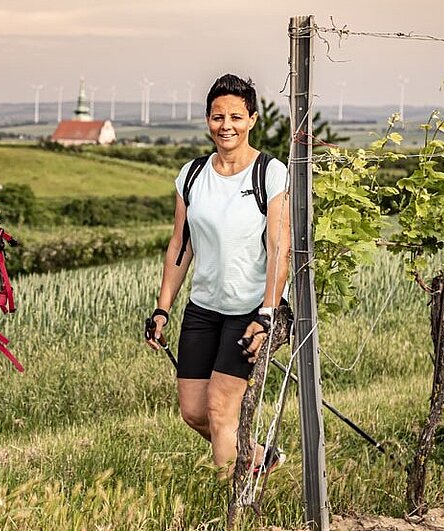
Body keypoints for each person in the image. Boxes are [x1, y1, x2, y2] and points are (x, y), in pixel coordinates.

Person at [144, 74, 291, 475]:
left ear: (253, 120)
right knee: (194, 412)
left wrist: (267, 312)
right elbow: (180, 245)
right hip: (203, 309)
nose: (226, 125)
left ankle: (235, 505)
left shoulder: (270, 173)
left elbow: (280, 251)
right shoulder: (191, 175)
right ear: (207, 119)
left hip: (249, 312)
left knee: (220, 412)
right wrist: (162, 309)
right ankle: (261, 458)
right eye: (217, 116)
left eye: (236, 117)